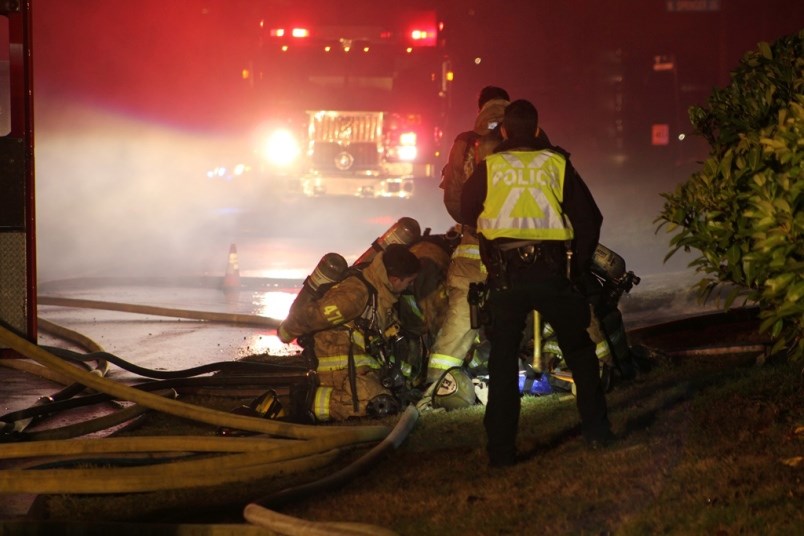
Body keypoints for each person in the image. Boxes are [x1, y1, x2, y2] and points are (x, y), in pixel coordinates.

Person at [460, 99, 614, 466]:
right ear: (538, 128)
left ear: (506, 132)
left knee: (500, 362)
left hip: (505, 277)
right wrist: (573, 270)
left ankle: (500, 452)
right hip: (552, 274)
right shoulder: (557, 163)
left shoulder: (490, 166)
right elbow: (590, 220)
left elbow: (467, 211)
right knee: (580, 353)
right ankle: (597, 435)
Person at [278, 243, 421, 422]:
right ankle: (307, 401)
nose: (412, 285)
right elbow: (312, 316)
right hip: (339, 367)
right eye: (410, 281)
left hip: (360, 364)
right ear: (394, 279)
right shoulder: (354, 296)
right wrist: (286, 331)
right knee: (376, 405)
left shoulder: (382, 293)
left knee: (397, 398)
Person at [426, 86, 511, 384]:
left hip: (474, 244)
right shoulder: (530, 137)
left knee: (462, 313)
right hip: (523, 246)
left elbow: (453, 200)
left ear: (480, 106)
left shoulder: (466, 142)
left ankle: (439, 382)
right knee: (529, 307)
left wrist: (474, 221)